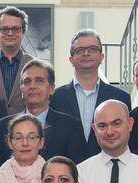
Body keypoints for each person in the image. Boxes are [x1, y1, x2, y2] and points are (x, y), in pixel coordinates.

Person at [50, 29, 132, 158]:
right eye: (80, 50)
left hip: (109, 169)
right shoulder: (55, 98)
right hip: (66, 171)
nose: (86, 53)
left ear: (102, 57)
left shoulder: (121, 98)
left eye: (93, 49)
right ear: (71, 59)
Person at [0, 59, 86, 166]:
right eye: (27, 81)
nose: (32, 86)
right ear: (21, 89)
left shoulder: (71, 126)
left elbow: (78, 170)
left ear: (51, 89)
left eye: (39, 81)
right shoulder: (2, 126)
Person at [0, 6, 34, 115]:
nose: (10, 33)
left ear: (23, 33)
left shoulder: (36, 66)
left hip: (24, 129)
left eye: (15, 29)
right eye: (5, 29)